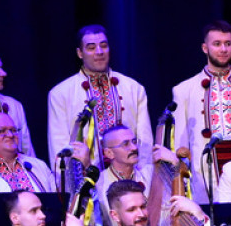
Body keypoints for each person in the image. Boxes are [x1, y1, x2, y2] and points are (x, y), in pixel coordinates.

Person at [172, 20, 231, 202]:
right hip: (202, 176)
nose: (223, 49)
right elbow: (180, 144)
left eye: (228, 44)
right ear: (204, 48)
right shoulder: (184, 90)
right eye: (217, 44)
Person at [48, 25, 153, 171]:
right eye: (91, 48)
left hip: (130, 179)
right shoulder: (61, 93)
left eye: (104, 46)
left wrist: (144, 180)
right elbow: (59, 147)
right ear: (80, 53)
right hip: (86, 180)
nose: (99, 52)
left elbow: (144, 141)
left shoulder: (133, 88)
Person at [95, 124, 180, 226]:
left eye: (134, 142)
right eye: (125, 144)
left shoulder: (152, 174)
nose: (134, 148)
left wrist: (176, 164)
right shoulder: (98, 185)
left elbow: (181, 198)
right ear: (109, 153)